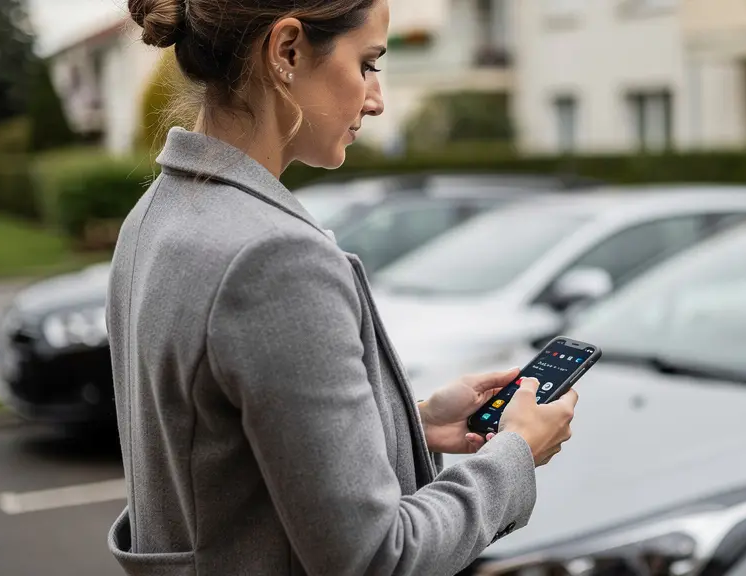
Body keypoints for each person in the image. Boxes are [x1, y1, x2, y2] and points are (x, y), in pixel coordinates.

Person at [107, 1, 578, 575]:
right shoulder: (275, 259)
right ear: (287, 51)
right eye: (367, 64)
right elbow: (377, 557)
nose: (376, 100)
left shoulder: (153, 218)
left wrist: (413, 423)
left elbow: (217, 461)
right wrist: (515, 456)